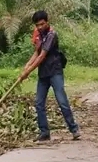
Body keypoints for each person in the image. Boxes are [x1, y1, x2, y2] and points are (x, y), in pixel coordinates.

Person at [19, 10, 81, 142]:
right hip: (43, 74)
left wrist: (28, 71)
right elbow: (37, 53)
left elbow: (42, 56)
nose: (40, 27)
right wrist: (27, 65)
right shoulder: (40, 36)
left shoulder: (52, 35)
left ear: (47, 22)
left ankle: (74, 129)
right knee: (39, 103)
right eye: (37, 25)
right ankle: (44, 132)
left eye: (42, 24)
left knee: (62, 101)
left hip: (55, 72)